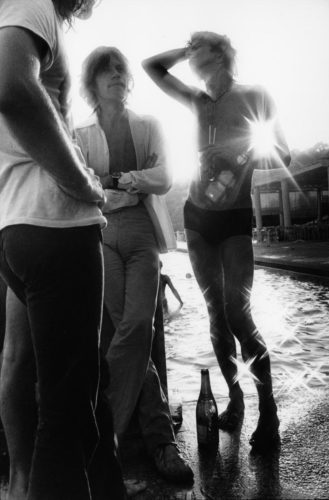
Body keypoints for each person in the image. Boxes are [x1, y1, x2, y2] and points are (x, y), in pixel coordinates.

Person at [0, 1, 126, 499]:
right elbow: (11, 86)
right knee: (66, 418)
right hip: (55, 225)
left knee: (78, 397)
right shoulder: (33, 5)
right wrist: (83, 183)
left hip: (16, 225)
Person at [143, 31, 291, 451]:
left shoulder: (253, 94)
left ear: (222, 52)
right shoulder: (196, 100)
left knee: (237, 312)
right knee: (214, 313)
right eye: (187, 48)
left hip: (234, 217)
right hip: (196, 215)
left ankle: (269, 411)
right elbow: (152, 67)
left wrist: (239, 157)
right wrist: (183, 51)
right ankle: (236, 399)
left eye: (197, 46)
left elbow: (284, 151)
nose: (190, 54)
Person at [76, 46, 193, 483]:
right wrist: (119, 184)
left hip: (142, 232)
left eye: (122, 72)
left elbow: (164, 178)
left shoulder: (149, 125)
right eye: (107, 72)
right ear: (93, 82)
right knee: (130, 334)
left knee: (137, 327)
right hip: (102, 233)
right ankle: (161, 442)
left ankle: (107, 432)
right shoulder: (80, 132)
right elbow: (82, 186)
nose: (118, 77)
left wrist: (127, 180)